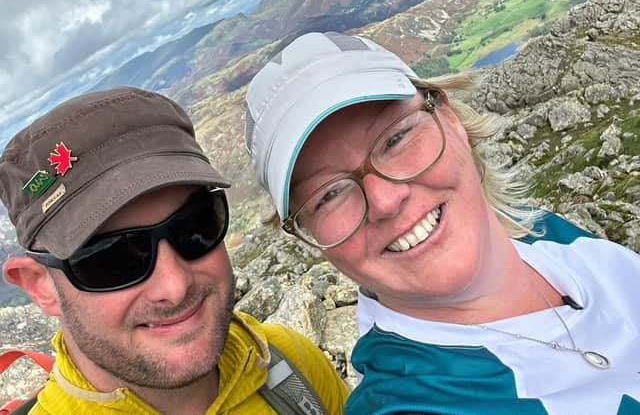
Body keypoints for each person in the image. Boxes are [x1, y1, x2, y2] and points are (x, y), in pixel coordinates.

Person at [244, 31, 640, 415]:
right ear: (308, 235)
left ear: (449, 118)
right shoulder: (406, 404)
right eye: (328, 194)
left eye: (395, 139)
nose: (384, 200)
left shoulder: (551, 235)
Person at [0, 86, 349, 414]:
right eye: (112, 258)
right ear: (40, 286)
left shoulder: (286, 363)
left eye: (195, 226)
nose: (175, 285)